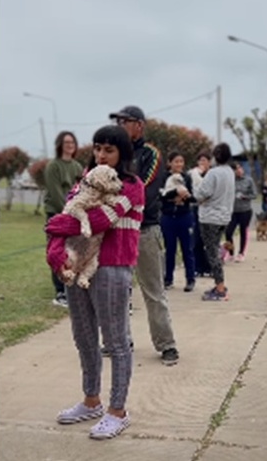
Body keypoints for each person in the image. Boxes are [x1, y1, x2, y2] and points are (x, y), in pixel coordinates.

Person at [45, 124, 144, 440]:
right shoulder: (83, 182)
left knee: (115, 341)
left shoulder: (130, 186)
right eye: (98, 148)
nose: (101, 155)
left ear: (122, 153)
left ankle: (118, 410)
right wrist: (56, 254)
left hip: (113, 267)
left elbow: (99, 220)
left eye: (109, 150)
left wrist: (59, 224)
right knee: (83, 336)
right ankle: (91, 400)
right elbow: (61, 227)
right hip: (78, 264)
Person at [108, 105, 179, 366]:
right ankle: (118, 341)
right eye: (117, 121)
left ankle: (167, 344)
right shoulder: (116, 154)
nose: (120, 125)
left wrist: (116, 204)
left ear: (139, 125)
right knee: (117, 290)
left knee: (153, 291)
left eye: (124, 121)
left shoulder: (151, 154)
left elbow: (144, 191)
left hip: (144, 230)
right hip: (116, 231)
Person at [44, 131, 84, 308]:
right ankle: (60, 291)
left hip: (73, 214)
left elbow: (80, 189)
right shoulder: (53, 166)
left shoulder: (77, 166)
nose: (70, 145)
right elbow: (55, 192)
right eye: (66, 142)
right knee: (57, 250)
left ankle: (72, 285)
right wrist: (68, 211)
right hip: (57, 214)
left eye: (72, 142)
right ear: (60, 144)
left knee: (74, 251)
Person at [196, 143, 236, 301]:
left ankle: (220, 288)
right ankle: (219, 283)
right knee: (215, 250)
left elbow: (201, 194)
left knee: (212, 253)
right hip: (224, 217)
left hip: (210, 218)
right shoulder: (230, 172)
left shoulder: (213, 173)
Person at [159, 152, 196, 292]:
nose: (179, 164)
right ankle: (168, 279)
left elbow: (191, 196)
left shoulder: (187, 177)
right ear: (170, 163)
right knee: (170, 250)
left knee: (188, 249)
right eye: (176, 161)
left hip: (184, 217)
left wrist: (184, 197)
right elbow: (161, 196)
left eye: (181, 161)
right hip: (168, 218)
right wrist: (175, 194)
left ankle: (190, 279)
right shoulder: (164, 177)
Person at [224, 162, 257, 262]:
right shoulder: (229, 181)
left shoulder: (248, 180)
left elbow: (254, 195)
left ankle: (241, 253)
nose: (238, 170)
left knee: (243, 231)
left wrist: (244, 196)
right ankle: (231, 253)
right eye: (235, 169)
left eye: (239, 168)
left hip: (245, 210)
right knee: (228, 232)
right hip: (233, 211)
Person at [189, 152, 212, 277]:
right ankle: (198, 267)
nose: (202, 163)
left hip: (209, 210)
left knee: (208, 240)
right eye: (200, 160)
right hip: (196, 208)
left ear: (209, 162)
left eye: (204, 160)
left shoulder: (212, 175)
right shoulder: (193, 174)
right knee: (196, 239)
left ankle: (209, 267)